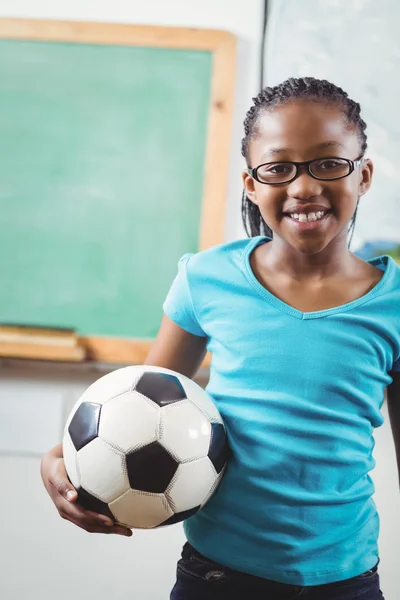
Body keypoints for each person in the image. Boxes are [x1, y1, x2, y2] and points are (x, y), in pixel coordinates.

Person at [41, 77, 400, 600]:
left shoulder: (393, 303)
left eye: (328, 163)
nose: (303, 187)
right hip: (218, 579)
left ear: (363, 175)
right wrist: (59, 461)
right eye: (278, 168)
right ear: (251, 184)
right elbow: (136, 402)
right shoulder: (205, 279)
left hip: (346, 582)